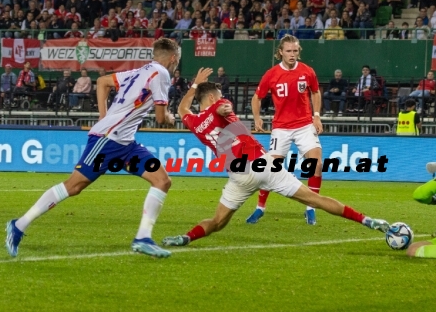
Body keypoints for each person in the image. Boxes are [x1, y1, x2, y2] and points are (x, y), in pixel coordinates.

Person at [161, 74, 390, 247]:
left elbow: (182, 108)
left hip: (238, 176)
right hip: (261, 164)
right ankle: (367, 220)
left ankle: (185, 238)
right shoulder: (219, 107)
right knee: (314, 199)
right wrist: (223, 106)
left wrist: (193, 85)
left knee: (218, 222)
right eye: (219, 97)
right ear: (212, 98)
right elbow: (223, 107)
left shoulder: (193, 121)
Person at [5, 38, 180, 259]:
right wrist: (172, 118)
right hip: (108, 140)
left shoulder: (140, 71)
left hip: (125, 142)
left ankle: (143, 237)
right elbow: (161, 117)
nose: (176, 66)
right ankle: (18, 225)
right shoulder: (162, 74)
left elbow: (104, 81)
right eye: (177, 61)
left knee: (162, 180)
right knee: (73, 186)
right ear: (173, 58)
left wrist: (103, 116)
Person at [246, 34, 323, 225]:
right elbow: (256, 98)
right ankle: (260, 208)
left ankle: (311, 208)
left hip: (304, 125)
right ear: (280, 52)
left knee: (317, 164)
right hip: (281, 127)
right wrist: (257, 117)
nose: (292, 54)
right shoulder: (271, 74)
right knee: (270, 168)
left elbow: (315, 91)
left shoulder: (307, 71)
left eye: (295, 51)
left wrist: (316, 116)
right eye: (288, 51)